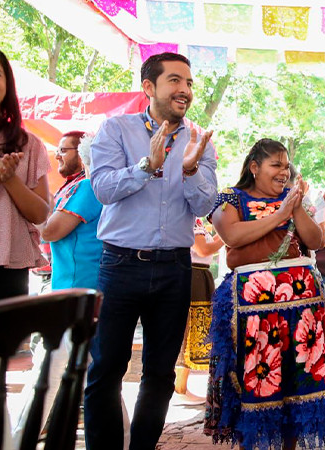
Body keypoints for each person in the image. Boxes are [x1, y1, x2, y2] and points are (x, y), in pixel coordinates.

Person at [85, 51, 217, 449]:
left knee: (160, 373)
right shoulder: (114, 130)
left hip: (175, 268)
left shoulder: (199, 140)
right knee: (106, 368)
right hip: (121, 263)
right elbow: (104, 189)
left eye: (190, 83)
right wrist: (148, 164)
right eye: (175, 81)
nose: (185, 90)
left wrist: (190, 169)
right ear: (149, 87)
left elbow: (204, 205)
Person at [204, 138, 325, 450]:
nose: (284, 171)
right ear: (254, 167)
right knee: (254, 381)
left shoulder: (293, 199)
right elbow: (231, 235)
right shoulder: (230, 198)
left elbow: (316, 238)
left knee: (295, 383)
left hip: (300, 306)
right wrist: (280, 215)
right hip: (250, 305)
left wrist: (295, 209)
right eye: (276, 165)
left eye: (286, 165)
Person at [0, 45, 50, 301]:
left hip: (9, 265)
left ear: (7, 83)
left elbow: (40, 214)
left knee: (6, 341)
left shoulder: (28, 143)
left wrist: (9, 178)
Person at [40, 131, 102, 290]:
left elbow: (49, 232)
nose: (57, 156)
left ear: (82, 153)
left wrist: (37, 197)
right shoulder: (97, 188)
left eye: (63, 150)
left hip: (77, 285)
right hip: (87, 283)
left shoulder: (87, 187)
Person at [173, 217, 223, 403]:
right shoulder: (189, 222)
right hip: (192, 275)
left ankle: (181, 385)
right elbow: (203, 249)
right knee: (189, 327)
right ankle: (179, 386)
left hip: (199, 274)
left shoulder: (197, 223)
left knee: (193, 328)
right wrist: (227, 233)